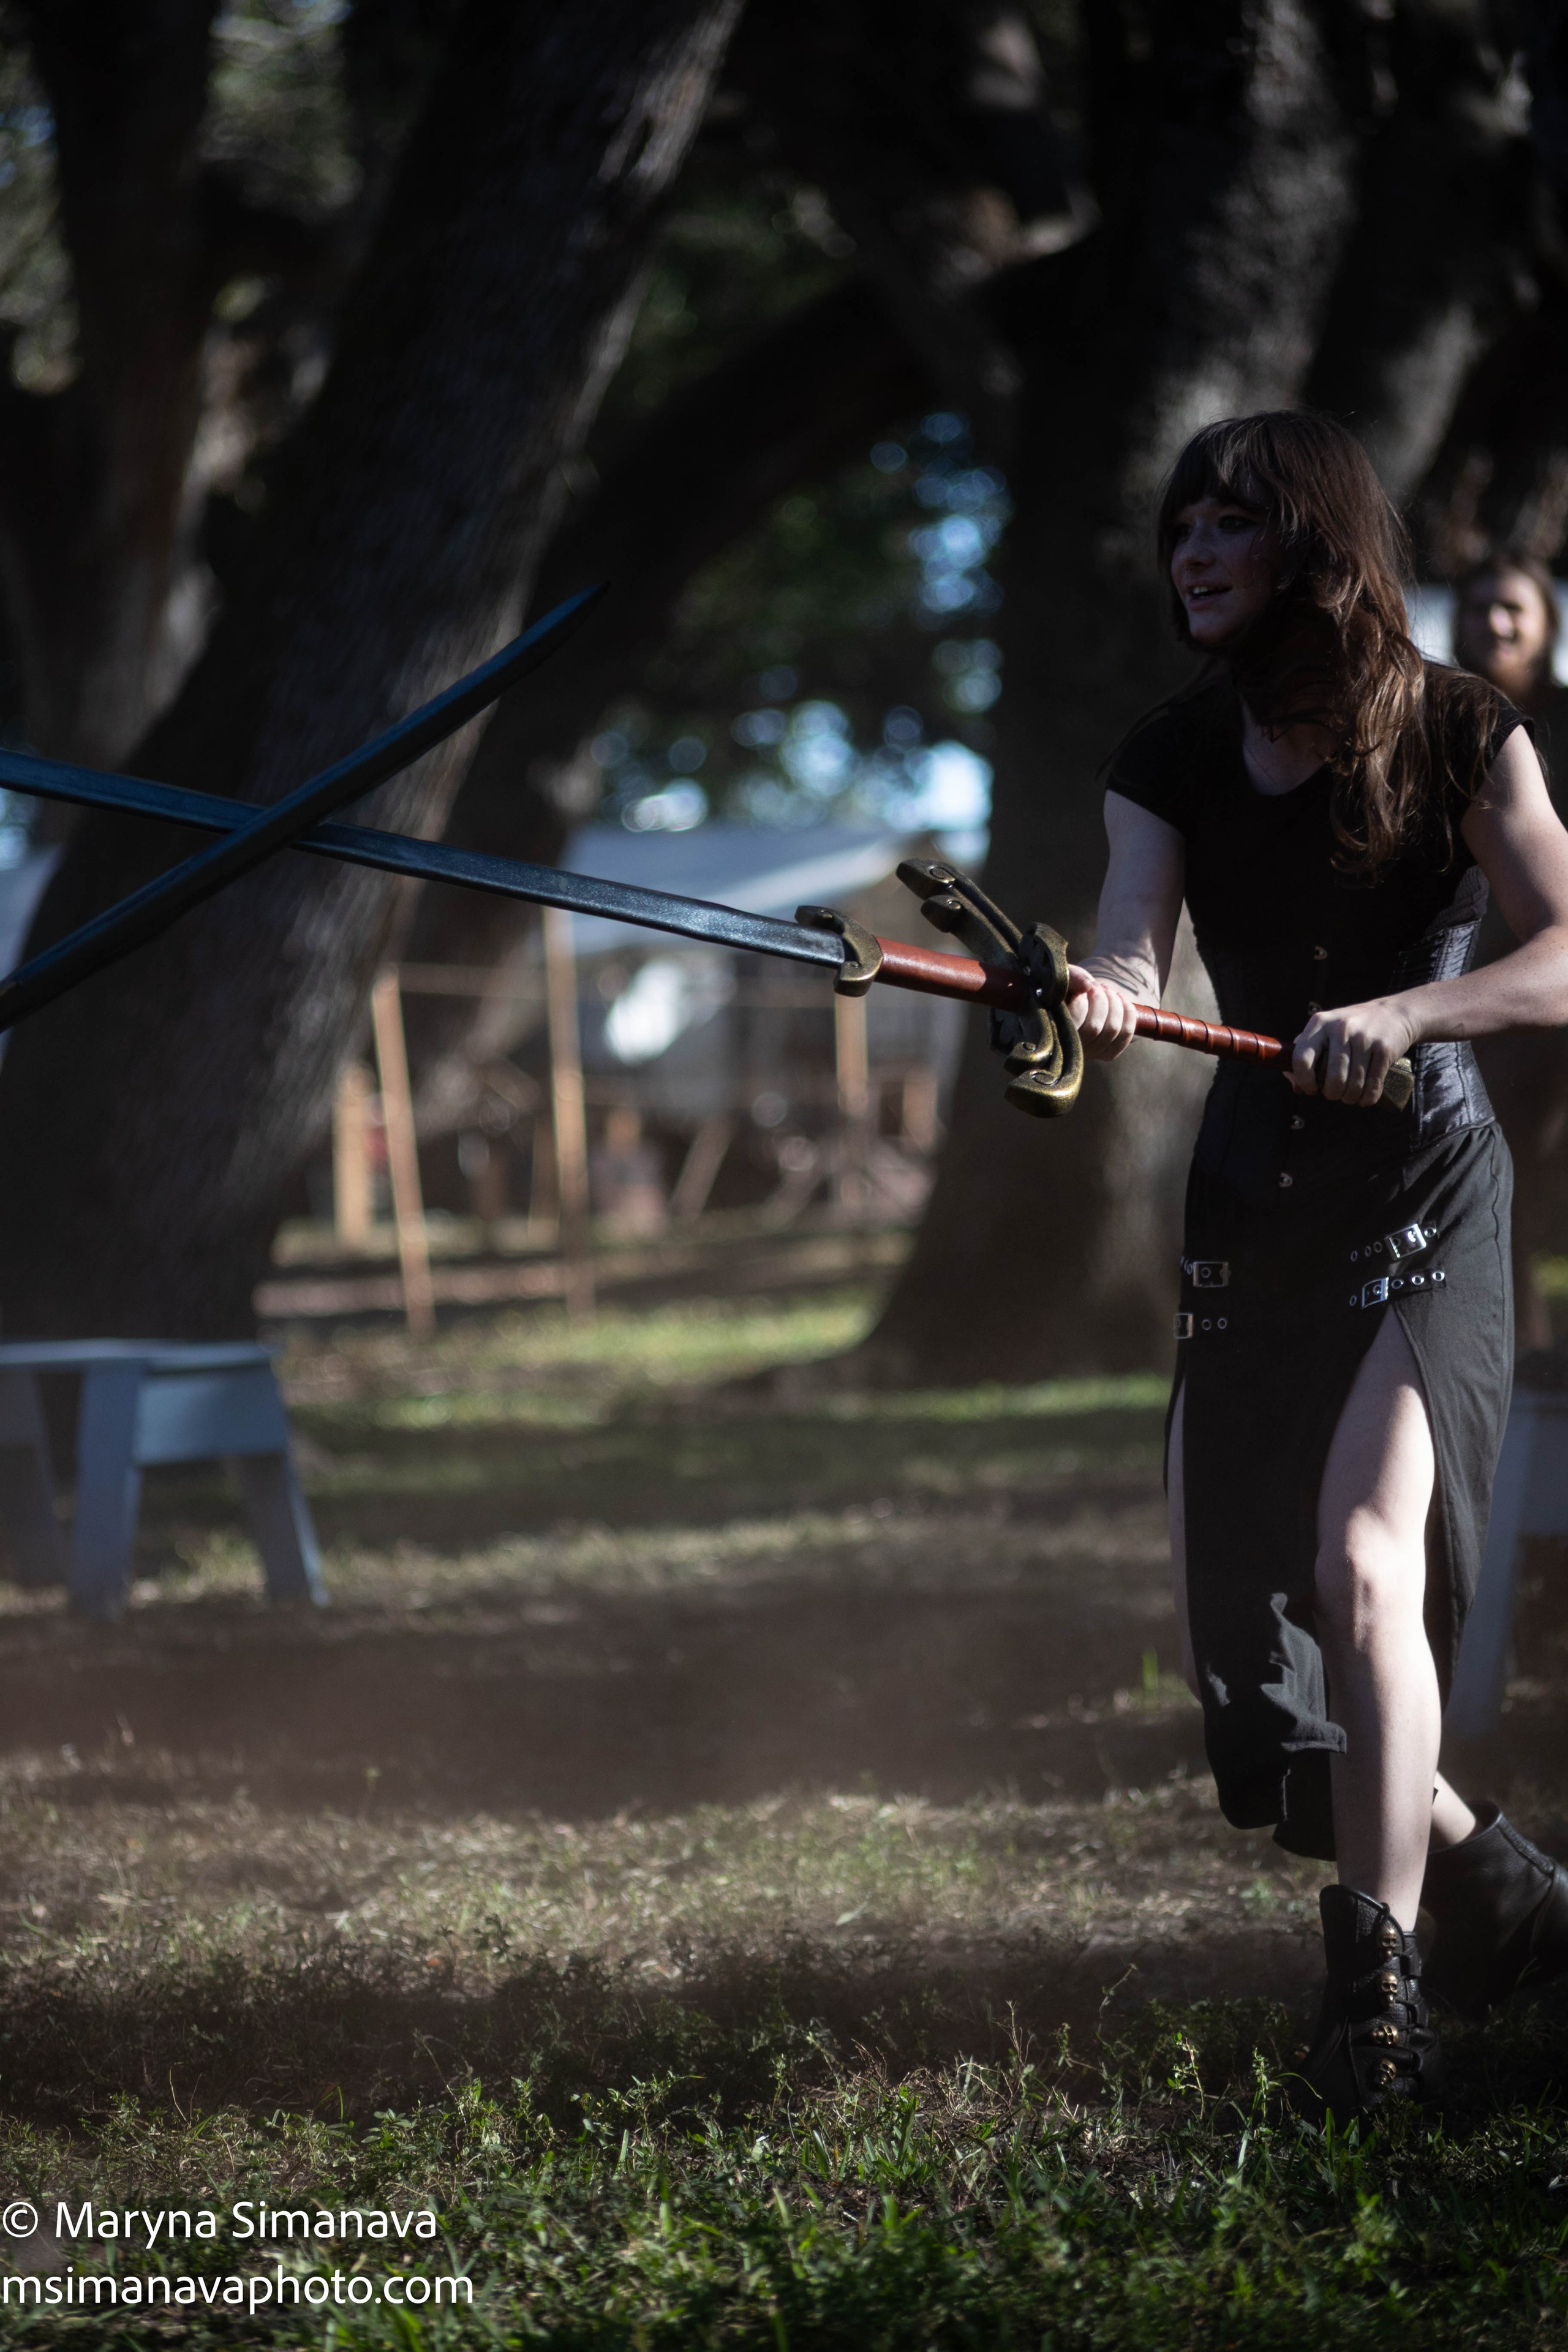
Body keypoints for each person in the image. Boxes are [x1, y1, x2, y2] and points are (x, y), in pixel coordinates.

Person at [1067, 412, 1568, 2121]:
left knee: (1367, 1576)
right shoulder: (1173, 751)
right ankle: (1509, 1895)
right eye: (1180, 527)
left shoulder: (1459, 730)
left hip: (1426, 1188)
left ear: (1317, 550)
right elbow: (1132, 933)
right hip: (1255, 1205)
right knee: (1276, 1709)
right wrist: (1102, 990)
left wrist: (1416, 1012)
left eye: (1231, 524)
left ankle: (1380, 2007)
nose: (1193, 554)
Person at [1450, 553, 1568, 1351]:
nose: (1499, 623)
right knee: (1500, 1180)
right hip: (1489, 993)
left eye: (1515, 609)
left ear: (1547, 626)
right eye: (1482, 607)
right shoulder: (1440, 725)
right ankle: (1523, 1368)